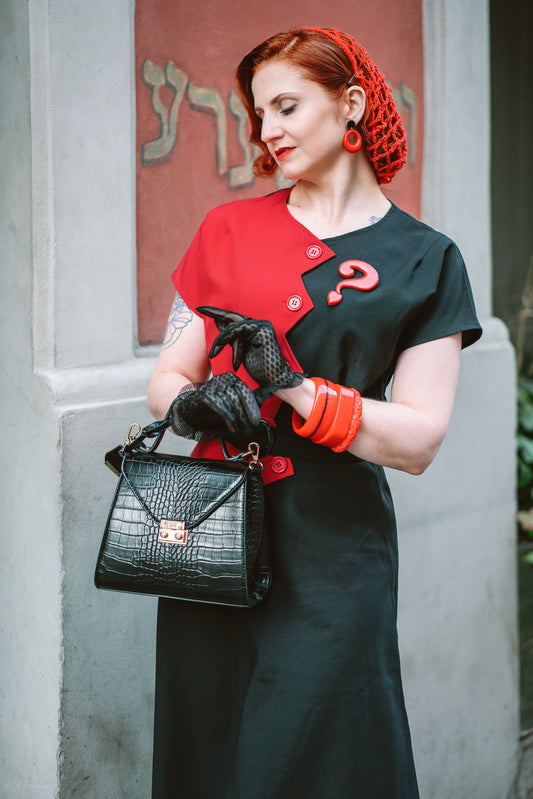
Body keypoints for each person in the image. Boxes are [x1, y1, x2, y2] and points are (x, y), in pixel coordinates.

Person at [147, 27, 482, 799]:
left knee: (321, 756)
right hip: (208, 535)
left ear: (351, 104)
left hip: (335, 553)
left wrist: (295, 387)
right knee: (210, 746)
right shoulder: (225, 231)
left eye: (287, 106)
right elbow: (168, 374)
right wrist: (195, 404)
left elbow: (420, 437)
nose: (266, 131)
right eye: (258, 113)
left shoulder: (426, 259)